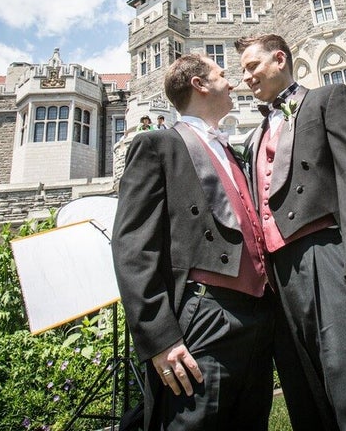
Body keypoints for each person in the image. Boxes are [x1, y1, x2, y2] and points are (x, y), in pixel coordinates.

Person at [235, 34, 346, 431]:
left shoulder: (329, 99)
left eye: (252, 66)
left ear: (280, 59)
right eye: (243, 71)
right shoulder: (255, 135)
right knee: (304, 394)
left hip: (326, 254)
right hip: (280, 275)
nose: (246, 77)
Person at [112, 54, 274, 431]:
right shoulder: (157, 145)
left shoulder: (233, 153)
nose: (231, 82)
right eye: (222, 75)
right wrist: (160, 339)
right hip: (204, 317)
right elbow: (133, 247)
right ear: (199, 84)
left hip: (258, 319)